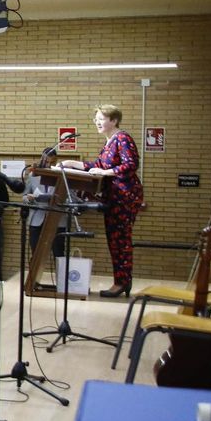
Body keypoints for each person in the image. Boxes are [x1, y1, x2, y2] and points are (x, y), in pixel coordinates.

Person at [60, 105, 143, 297]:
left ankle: (122, 282)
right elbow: (95, 167)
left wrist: (105, 172)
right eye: (95, 119)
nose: (96, 122)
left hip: (124, 197)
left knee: (120, 240)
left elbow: (131, 164)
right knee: (115, 240)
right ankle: (122, 281)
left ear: (113, 121)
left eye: (101, 118)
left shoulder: (122, 138)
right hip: (114, 197)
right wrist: (71, 163)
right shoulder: (109, 143)